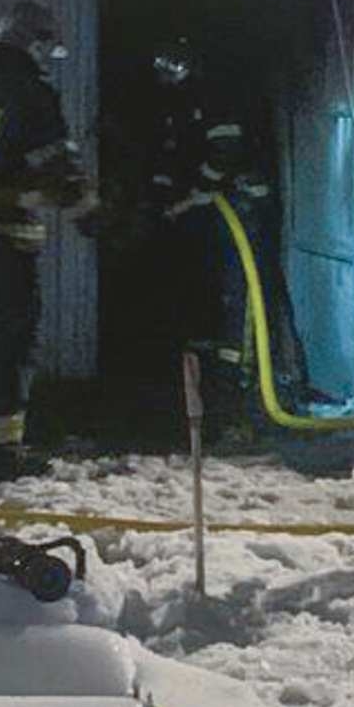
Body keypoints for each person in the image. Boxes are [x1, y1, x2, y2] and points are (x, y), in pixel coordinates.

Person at [0, 1, 92, 481]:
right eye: (48, 48)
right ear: (35, 43)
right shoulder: (30, 93)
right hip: (5, 232)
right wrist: (96, 217)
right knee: (9, 339)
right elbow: (60, 170)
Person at [137, 38, 305, 437]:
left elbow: (225, 152)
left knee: (241, 297)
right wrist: (166, 196)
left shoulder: (212, 98)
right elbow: (173, 156)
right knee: (216, 295)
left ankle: (241, 391)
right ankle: (219, 384)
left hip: (240, 208)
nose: (164, 79)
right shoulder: (176, 106)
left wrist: (198, 190)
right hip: (210, 211)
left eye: (169, 71)